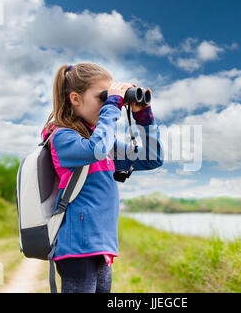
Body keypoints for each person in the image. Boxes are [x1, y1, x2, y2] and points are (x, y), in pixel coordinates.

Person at [41, 63, 164, 293]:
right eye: (103, 97)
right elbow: (95, 149)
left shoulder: (104, 145)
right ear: (75, 98)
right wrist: (113, 106)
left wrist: (143, 117)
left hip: (101, 245)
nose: (110, 103)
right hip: (77, 247)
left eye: (111, 96)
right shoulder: (62, 137)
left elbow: (152, 158)